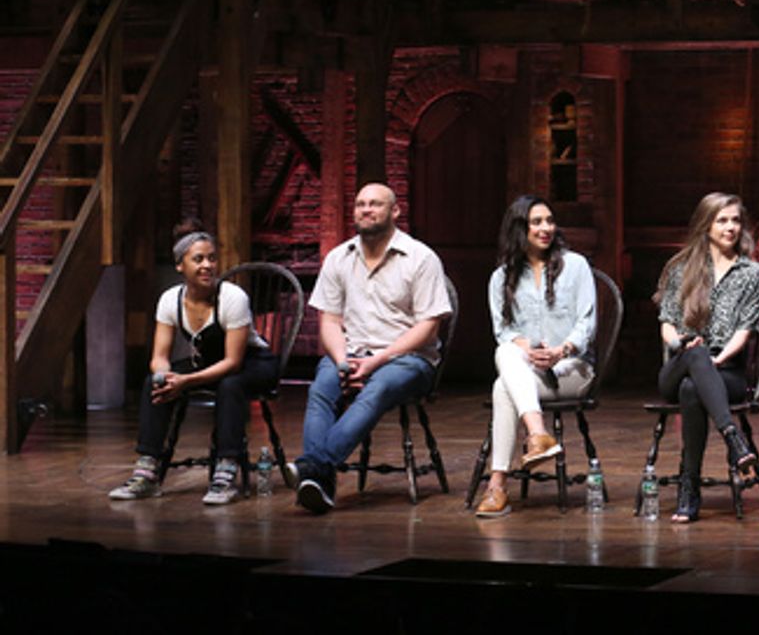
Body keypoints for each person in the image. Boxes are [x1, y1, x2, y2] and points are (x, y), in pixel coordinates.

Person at [289, 183, 453, 514]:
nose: (366, 209)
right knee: (322, 386)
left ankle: (313, 467)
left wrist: (378, 360)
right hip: (351, 354)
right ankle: (318, 484)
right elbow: (330, 322)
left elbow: (428, 327)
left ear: (394, 212)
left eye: (375, 204)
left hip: (408, 360)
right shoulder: (339, 258)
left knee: (378, 387)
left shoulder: (420, 258)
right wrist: (342, 362)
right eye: (361, 204)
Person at [108, 219, 279, 505]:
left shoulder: (232, 297)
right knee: (154, 382)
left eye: (212, 258)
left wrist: (185, 381)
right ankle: (147, 471)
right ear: (180, 265)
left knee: (230, 385)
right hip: (209, 363)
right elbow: (159, 357)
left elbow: (233, 362)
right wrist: (166, 377)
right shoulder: (169, 300)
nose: (207, 265)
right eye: (198, 259)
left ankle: (226, 470)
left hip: (252, 364)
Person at [474, 196, 597, 518]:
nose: (546, 228)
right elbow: (503, 331)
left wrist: (561, 350)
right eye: (536, 222)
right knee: (505, 357)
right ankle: (537, 434)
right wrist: (526, 348)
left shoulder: (576, 266)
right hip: (527, 371)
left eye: (549, 221)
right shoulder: (501, 277)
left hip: (572, 369)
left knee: (504, 386)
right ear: (519, 228)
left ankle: (498, 485)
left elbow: (587, 322)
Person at [655, 192, 759, 523]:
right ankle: (734, 440)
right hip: (679, 365)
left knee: (694, 389)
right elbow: (666, 322)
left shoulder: (753, 273)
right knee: (694, 360)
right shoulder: (682, 268)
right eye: (722, 220)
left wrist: (716, 361)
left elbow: (744, 332)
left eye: (735, 220)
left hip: (726, 373)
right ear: (706, 226)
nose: (730, 227)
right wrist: (681, 345)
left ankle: (689, 488)